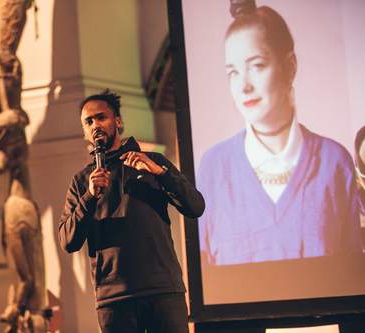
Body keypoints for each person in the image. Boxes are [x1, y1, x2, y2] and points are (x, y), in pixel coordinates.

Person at [197, 4, 362, 266]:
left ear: (290, 67)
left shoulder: (334, 161)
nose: (244, 85)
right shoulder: (213, 169)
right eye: (233, 73)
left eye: (257, 65)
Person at [58, 90, 205, 333]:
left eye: (101, 117)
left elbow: (195, 206)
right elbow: (68, 240)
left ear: (118, 121)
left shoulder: (152, 162)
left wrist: (159, 173)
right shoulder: (83, 181)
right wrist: (90, 196)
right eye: (89, 121)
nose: (95, 125)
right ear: (84, 130)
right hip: (114, 300)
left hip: (163, 291)